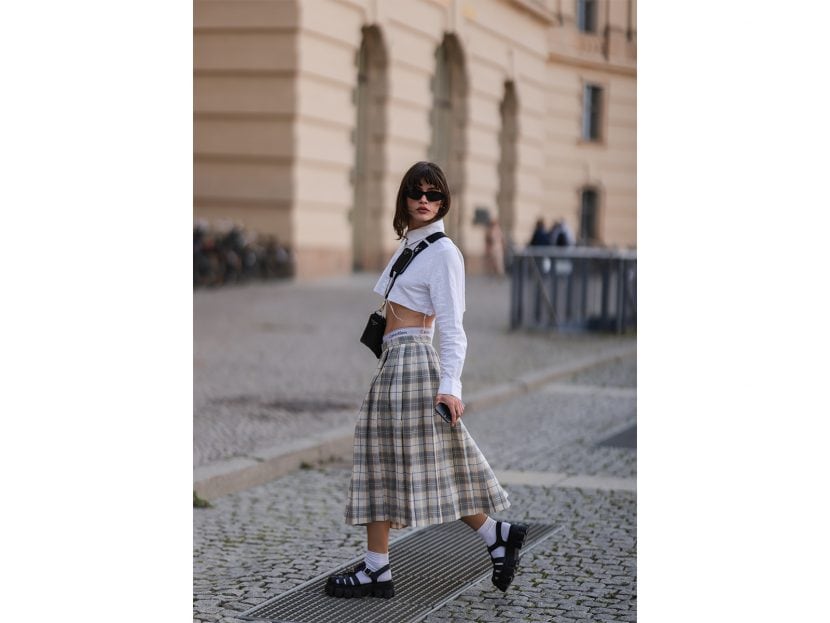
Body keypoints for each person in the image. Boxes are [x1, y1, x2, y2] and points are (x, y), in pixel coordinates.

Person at [326, 161, 527, 599]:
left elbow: (453, 325)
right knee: (400, 459)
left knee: (422, 462)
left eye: (433, 195)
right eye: (416, 192)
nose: (424, 200)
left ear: (443, 201)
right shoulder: (411, 246)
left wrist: (450, 385)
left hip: (415, 363)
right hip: (396, 362)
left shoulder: (444, 253)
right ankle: (494, 535)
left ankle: (383, 568)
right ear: (404, 198)